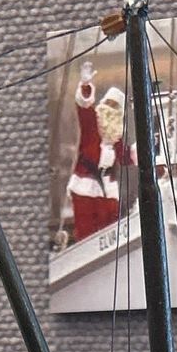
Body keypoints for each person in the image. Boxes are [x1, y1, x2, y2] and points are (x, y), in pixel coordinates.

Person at [66, 62, 132, 243]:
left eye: (115, 106)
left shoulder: (116, 137)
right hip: (85, 185)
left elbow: (126, 157)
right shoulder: (92, 124)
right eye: (108, 103)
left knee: (109, 227)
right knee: (86, 231)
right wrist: (86, 85)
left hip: (107, 188)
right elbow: (84, 107)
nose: (110, 109)